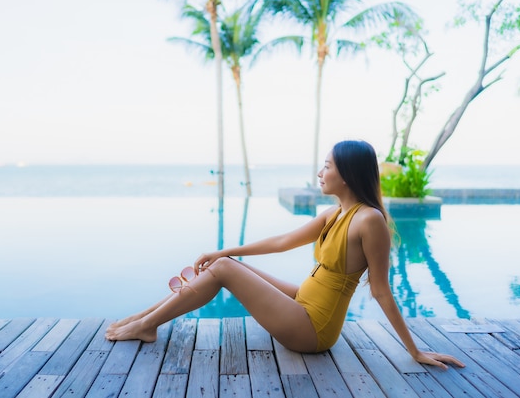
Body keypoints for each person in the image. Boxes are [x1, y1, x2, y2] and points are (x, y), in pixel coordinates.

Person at [105, 140, 465, 369]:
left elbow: (381, 291)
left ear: (348, 173)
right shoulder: (335, 213)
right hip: (302, 302)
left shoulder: (370, 221)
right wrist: (225, 249)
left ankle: (145, 326)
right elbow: (281, 241)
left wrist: (414, 351)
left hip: (313, 329)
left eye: (328, 166)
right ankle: (142, 318)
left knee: (224, 271)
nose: (320, 172)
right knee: (225, 263)